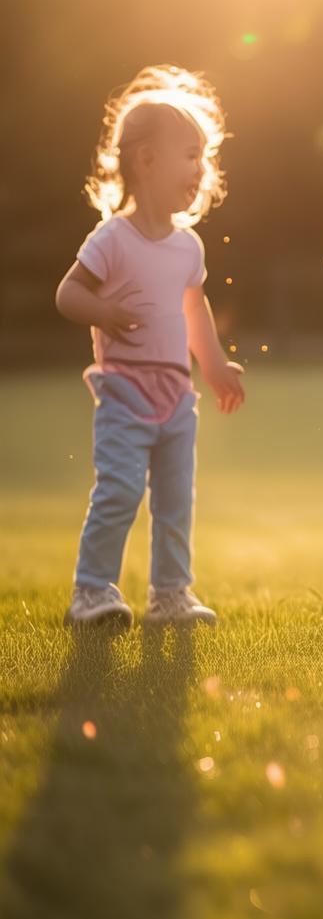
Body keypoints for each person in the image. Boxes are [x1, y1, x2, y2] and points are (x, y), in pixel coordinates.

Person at [55, 64, 245, 627]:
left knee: (175, 499)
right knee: (118, 491)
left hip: (176, 397)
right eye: (190, 155)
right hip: (124, 392)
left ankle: (170, 594)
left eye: (204, 156)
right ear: (145, 161)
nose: (201, 168)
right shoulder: (113, 238)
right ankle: (92, 591)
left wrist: (215, 366)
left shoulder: (188, 248)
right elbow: (68, 294)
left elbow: (194, 310)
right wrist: (104, 312)